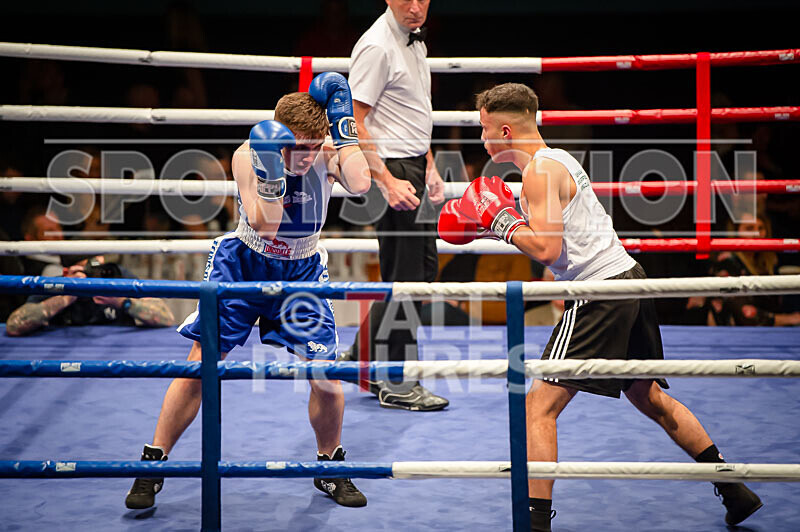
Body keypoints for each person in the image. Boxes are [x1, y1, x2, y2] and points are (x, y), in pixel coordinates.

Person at [438, 83, 763, 530]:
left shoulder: (538, 173)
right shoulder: (558, 160)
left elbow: (548, 251)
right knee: (647, 395)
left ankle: (535, 523)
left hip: (598, 291)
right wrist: (497, 227)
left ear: (505, 130)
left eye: (484, 128)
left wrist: (497, 220)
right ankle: (734, 489)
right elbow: (544, 236)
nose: (481, 138)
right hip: (629, 281)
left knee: (539, 407)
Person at [125, 73, 372, 510]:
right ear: (277, 134)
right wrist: (272, 168)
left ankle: (330, 465)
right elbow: (265, 223)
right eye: (298, 147)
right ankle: (153, 463)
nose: (307, 156)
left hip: (302, 270)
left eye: (314, 146)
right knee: (200, 366)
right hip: (244, 264)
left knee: (326, 375)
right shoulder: (247, 155)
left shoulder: (324, 151)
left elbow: (361, 184)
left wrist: (344, 130)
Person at [338, 0, 449, 411]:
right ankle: (394, 382)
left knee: (420, 271)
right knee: (406, 277)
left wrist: (431, 165)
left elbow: (413, 112)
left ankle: (361, 353)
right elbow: (353, 118)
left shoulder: (415, 42)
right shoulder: (378, 45)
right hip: (392, 169)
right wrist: (385, 181)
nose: (416, 6)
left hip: (414, 165)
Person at [5, 255, 175, 336]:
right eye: (87, 270)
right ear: (67, 272)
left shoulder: (115, 277)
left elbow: (166, 318)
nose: (95, 275)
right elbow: (14, 326)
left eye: (97, 268)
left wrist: (123, 302)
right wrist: (65, 297)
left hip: (118, 358)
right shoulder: (58, 285)